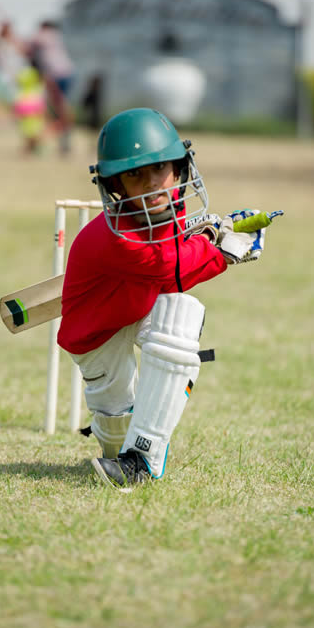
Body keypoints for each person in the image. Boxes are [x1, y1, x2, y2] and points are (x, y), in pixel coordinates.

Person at [57, 107, 264, 489]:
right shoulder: (118, 235)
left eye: (159, 169)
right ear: (115, 183)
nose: (152, 184)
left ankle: (143, 458)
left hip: (138, 304)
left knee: (180, 318)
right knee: (114, 434)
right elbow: (172, 269)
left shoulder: (168, 209)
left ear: (180, 168)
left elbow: (175, 269)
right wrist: (223, 252)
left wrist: (213, 233)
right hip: (96, 332)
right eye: (136, 174)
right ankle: (122, 443)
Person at [26, 20, 75, 153]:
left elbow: (26, 48)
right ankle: (63, 143)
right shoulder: (56, 36)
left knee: (57, 113)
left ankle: (38, 140)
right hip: (66, 74)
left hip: (56, 76)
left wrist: (6, 35)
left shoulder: (44, 35)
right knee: (61, 111)